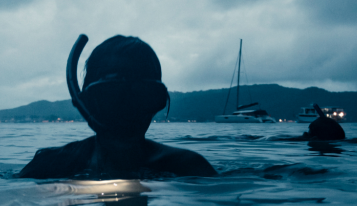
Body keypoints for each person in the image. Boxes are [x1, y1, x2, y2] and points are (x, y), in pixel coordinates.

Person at [19, 35, 217, 179]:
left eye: (142, 97)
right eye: (111, 97)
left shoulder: (188, 168)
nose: (127, 114)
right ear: (85, 103)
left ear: (157, 102)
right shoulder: (49, 166)